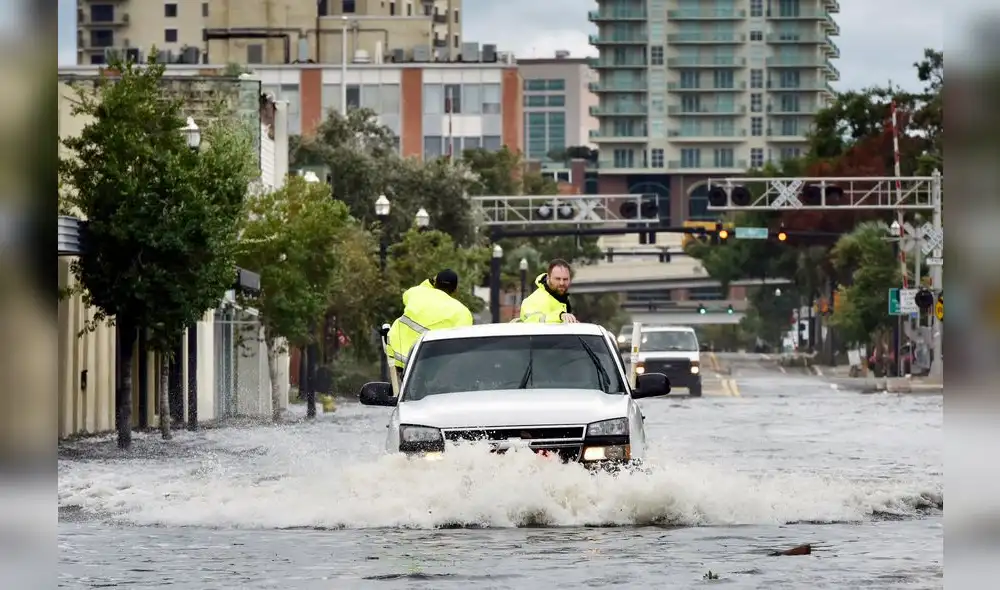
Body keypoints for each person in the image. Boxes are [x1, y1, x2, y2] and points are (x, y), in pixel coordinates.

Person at [384, 269, 474, 380]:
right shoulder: (462, 312)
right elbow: (462, 343)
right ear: (455, 290)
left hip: (398, 356)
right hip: (428, 365)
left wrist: (430, 282)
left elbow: (408, 295)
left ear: (434, 283)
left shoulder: (416, 293)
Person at [519, 259, 579, 323]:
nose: (562, 283)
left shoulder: (564, 299)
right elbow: (533, 321)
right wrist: (559, 316)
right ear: (548, 277)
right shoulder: (533, 300)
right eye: (557, 279)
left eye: (565, 279)